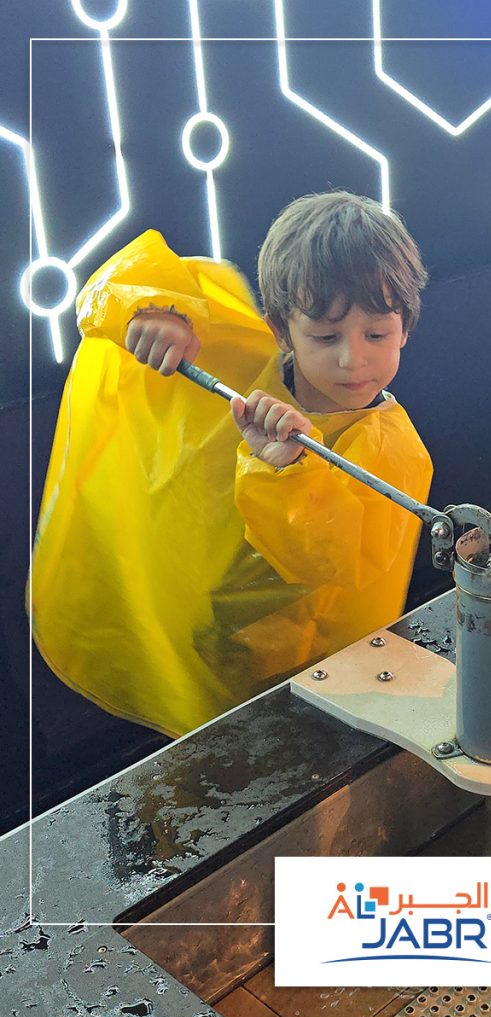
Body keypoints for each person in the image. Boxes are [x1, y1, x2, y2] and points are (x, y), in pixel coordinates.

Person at [31, 191, 432, 738]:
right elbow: (122, 278)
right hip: (192, 640)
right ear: (280, 329)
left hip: (298, 678)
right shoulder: (240, 361)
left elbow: (334, 561)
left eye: (377, 335)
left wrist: (291, 470)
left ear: (406, 327)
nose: (352, 359)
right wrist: (153, 313)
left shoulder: (395, 452)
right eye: (325, 336)